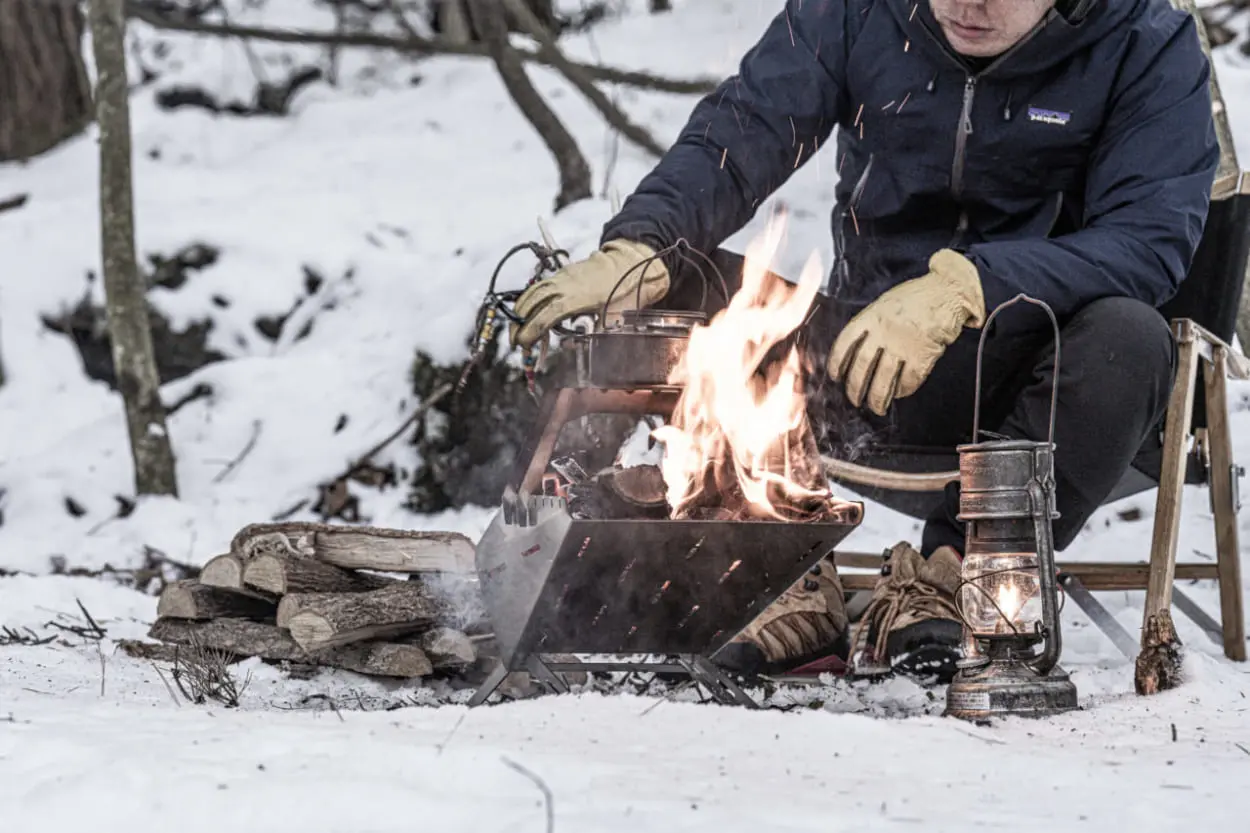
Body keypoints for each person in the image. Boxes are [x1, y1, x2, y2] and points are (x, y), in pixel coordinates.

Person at [509, 0, 1221, 680]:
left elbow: (1147, 238)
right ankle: (779, 562)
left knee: (1131, 337)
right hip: (860, 360)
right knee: (677, 279)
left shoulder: (1145, 43)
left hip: (1028, 389)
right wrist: (648, 239)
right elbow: (746, 124)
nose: (967, 7)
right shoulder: (857, 10)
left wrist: (971, 286)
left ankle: (951, 575)